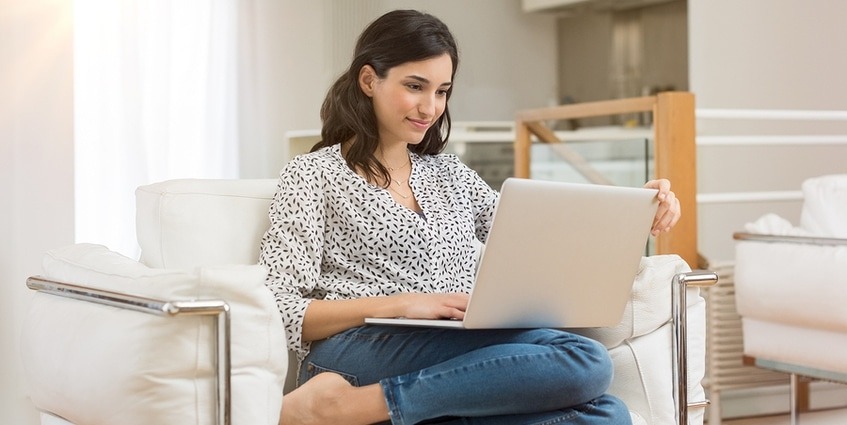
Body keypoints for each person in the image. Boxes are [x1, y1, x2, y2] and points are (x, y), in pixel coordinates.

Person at [259, 9, 681, 425]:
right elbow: (281, 305)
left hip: (458, 343)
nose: (430, 107)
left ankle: (382, 412)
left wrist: (638, 208)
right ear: (369, 80)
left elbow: (543, 232)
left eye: (442, 91)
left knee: (608, 414)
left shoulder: (449, 174)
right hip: (355, 351)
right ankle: (341, 405)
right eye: (414, 86)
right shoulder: (313, 174)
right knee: (584, 359)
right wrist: (405, 304)